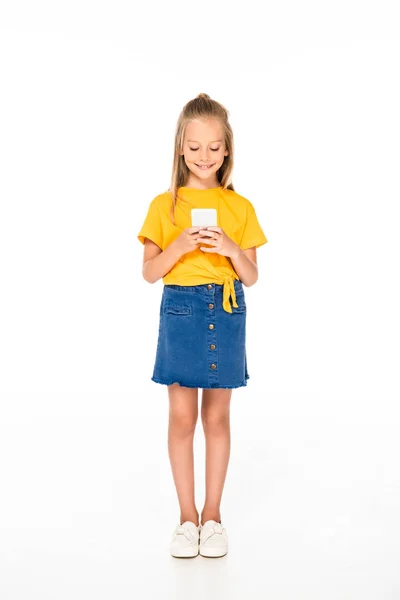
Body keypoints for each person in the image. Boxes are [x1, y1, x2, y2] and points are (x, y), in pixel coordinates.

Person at [137, 93, 268, 558]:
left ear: (227, 149)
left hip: (227, 309)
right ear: (180, 148)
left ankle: (212, 517)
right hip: (180, 310)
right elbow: (151, 272)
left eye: (214, 147)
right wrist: (179, 245)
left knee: (217, 417)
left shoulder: (241, 207)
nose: (204, 156)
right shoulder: (163, 205)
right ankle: (185, 517)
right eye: (195, 147)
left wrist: (232, 248)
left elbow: (250, 276)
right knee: (180, 418)